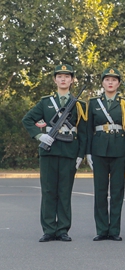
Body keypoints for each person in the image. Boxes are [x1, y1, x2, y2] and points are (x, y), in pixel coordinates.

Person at [22, 64, 88, 242]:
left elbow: (83, 132)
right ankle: (49, 229)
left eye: (67, 76)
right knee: (49, 191)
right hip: (49, 151)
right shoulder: (46, 102)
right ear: (55, 80)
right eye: (60, 76)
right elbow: (27, 119)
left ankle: (63, 229)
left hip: (69, 151)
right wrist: (39, 136)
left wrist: (80, 155)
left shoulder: (80, 105)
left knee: (65, 192)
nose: (63, 79)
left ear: (72, 80)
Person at [85, 67, 125, 241]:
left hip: (119, 149)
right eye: (107, 80)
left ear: (119, 83)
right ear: (102, 83)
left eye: (114, 80)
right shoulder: (93, 103)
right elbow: (88, 129)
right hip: (98, 149)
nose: (110, 83)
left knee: (117, 192)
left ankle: (114, 230)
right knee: (100, 191)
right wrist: (88, 152)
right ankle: (101, 230)